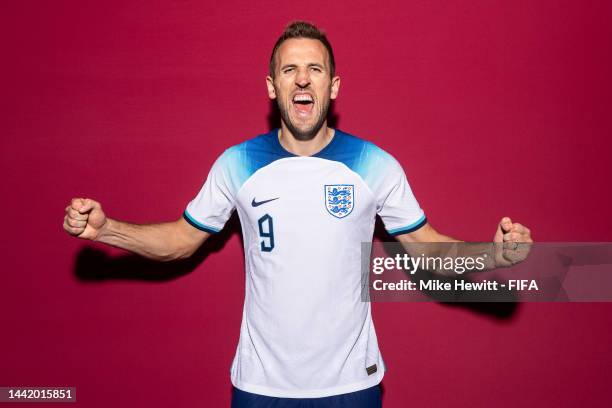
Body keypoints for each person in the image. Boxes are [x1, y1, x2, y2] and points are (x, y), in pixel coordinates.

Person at [63, 21, 532, 407]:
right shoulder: (237, 164)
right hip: (261, 387)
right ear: (272, 86)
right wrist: (109, 230)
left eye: (315, 69)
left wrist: (491, 256)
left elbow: (427, 250)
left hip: (351, 385)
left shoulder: (376, 165)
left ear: (334, 85)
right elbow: (181, 241)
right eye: (289, 70)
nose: (303, 79)